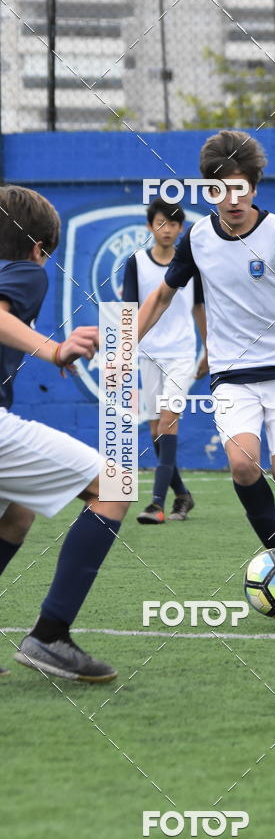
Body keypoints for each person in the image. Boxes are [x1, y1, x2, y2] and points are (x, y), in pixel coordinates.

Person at [136, 130, 275, 553]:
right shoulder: (198, 238)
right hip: (231, 374)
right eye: (219, 190)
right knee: (243, 465)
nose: (231, 200)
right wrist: (122, 349)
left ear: (254, 187)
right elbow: (161, 296)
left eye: (240, 188)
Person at [0, 184, 125, 681]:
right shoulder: (27, 271)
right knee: (113, 485)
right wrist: (54, 349)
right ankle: (50, 637)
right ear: (39, 248)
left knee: (17, 512)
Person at [122, 197, 206, 524]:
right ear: (149, 226)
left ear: (181, 228)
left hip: (182, 354)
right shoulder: (136, 262)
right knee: (156, 428)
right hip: (147, 353)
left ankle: (156, 504)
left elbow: (199, 308)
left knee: (169, 420)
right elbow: (129, 311)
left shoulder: (190, 264)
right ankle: (182, 494)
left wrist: (208, 349)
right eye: (160, 223)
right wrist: (124, 350)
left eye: (173, 224)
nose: (167, 229)